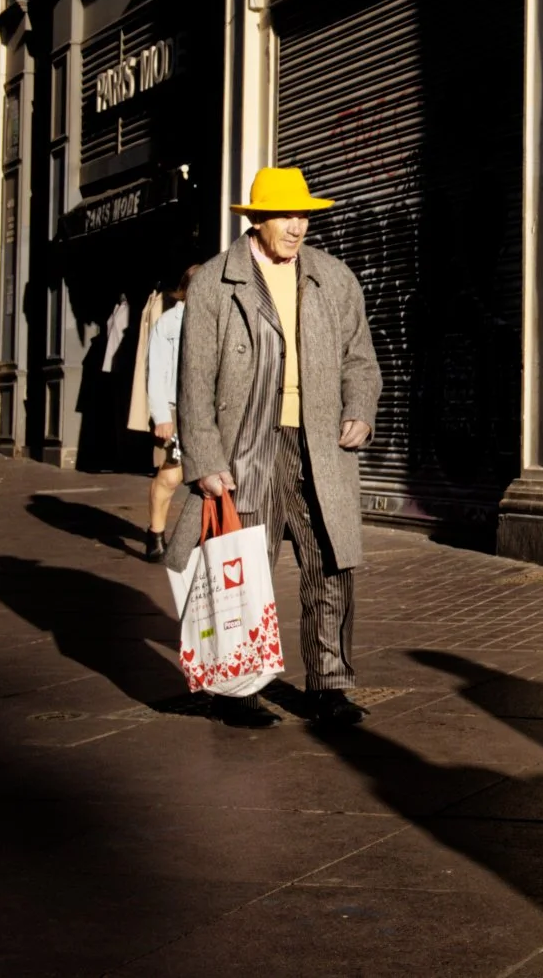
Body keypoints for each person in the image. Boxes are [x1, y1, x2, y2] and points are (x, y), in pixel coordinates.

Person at [165, 167, 381, 730]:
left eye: (304, 214)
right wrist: (206, 461)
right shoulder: (216, 281)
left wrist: (360, 406)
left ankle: (329, 685)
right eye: (286, 215)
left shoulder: (334, 278)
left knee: (330, 564)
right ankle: (238, 689)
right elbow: (194, 380)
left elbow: (361, 358)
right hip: (247, 449)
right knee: (245, 571)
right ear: (257, 219)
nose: (297, 226)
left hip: (320, 448)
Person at [141, 265, 200, 563]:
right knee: (171, 475)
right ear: (187, 289)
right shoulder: (168, 323)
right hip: (175, 410)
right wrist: (161, 415)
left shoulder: (217, 319)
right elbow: (156, 371)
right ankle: (155, 533)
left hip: (206, 411)